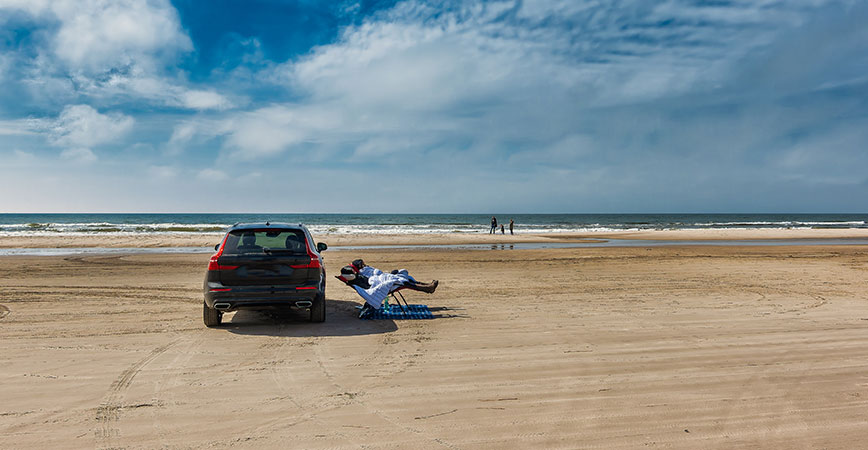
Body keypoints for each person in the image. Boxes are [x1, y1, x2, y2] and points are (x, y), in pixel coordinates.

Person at [337, 259, 439, 318]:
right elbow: (370, 285)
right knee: (401, 282)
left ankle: (427, 286)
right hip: (377, 284)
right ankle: (427, 288)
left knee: (401, 279)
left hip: (377, 280)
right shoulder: (356, 279)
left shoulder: (356, 278)